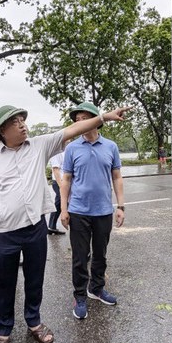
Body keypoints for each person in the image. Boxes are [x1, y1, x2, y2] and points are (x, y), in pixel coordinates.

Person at [0, 104, 129, 343]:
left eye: (23, 120)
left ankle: (34, 322)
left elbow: (73, 129)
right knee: (5, 284)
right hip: (4, 233)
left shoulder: (39, 145)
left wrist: (103, 117)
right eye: (16, 122)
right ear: (2, 130)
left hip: (35, 228)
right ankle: (3, 331)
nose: (23, 125)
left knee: (35, 280)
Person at [59, 102, 125, 320]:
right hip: (78, 211)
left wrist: (121, 206)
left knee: (100, 254)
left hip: (103, 211)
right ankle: (79, 296)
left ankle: (96, 289)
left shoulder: (111, 147)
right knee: (80, 257)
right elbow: (65, 180)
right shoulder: (72, 148)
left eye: (84, 118)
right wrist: (64, 209)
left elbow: (116, 177)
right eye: (77, 119)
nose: (80, 122)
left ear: (96, 120)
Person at [47, 150, 66, 235]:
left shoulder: (67, 150)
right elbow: (55, 169)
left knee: (58, 204)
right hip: (59, 182)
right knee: (65, 202)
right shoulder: (56, 152)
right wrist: (61, 186)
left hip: (66, 182)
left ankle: (51, 227)